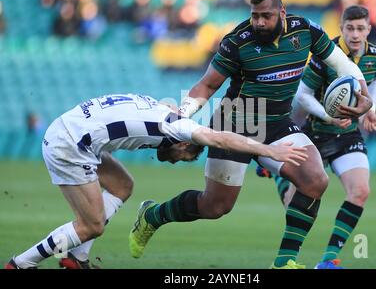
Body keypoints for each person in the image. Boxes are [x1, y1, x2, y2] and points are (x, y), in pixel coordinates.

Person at [129, 0, 374, 269]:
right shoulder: (238, 41)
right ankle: (153, 216)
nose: (258, 22)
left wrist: (364, 94)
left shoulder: (305, 30)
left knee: (315, 179)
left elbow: (342, 65)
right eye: (255, 15)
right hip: (236, 122)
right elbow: (207, 85)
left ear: (282, 13)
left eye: (265, 16)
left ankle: (284, 263)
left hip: (279, 123)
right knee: (216, 206)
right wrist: (180, 117)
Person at [4, 93, 309, 269]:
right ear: (181, 145)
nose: (174, 161)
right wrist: (266, 149)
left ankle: (75, 259)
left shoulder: (163, 111)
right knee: (91, 224)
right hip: (70, 144)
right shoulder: (175, 128)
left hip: (76, 132)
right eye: (182, 159)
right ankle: (20, 264)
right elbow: (217, 136)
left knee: (123, 186)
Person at [257, 5, 376, 269]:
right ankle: (278, 176)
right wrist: (328, 116)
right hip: (315, 133)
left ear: (368, 30)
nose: (356, 34)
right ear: (342, 28)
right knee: (295, 203)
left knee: (360, 191)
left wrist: (369, 112)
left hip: (348, 136)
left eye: (361, 28)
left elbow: (372, 87)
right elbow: (302, 95)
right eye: (350, 28)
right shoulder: (327, 54)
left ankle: (329, 260)